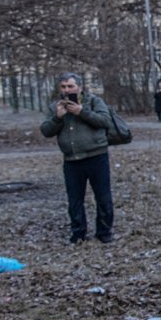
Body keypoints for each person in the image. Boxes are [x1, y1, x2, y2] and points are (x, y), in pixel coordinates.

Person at [40, 72, 115, 244]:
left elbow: (105, 121)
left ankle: (104, 232)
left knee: (103, 197)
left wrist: (82, 112)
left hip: (96, 156)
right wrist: (57, 118)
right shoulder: (55, 107)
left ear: (79, 87)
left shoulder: (93, 101)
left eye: (71, 86)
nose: (67, 90)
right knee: (74, 199)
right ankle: (78, 232)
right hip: (72, 160)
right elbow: (45, 130)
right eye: (64, 87)